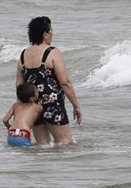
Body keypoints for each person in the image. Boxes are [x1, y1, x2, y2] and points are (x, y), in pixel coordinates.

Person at [15, 16, 82, 145]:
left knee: (42, 146)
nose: (52, 33)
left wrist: (23, 109)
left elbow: (19, 85)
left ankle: (41, 166)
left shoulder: (23, 55)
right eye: (51, 30)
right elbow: (65, 83)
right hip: (53, 105)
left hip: (32, 106)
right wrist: (76, 106)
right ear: (45, 34)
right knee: (65, 143)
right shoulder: (53, 52)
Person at [2, 83, 43, 147]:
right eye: (36, 91)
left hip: (11, 134)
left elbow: (5, 120)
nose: (38, 91)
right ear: (31, 98)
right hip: (23, 134)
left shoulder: (16, 105)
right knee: (31, 153)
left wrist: (9, 127)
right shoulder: (37, 107)